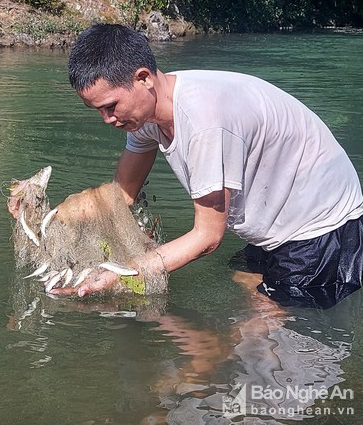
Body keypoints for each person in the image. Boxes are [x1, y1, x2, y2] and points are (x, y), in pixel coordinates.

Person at [49, 23, 363, 307]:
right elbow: (122, 195)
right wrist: (50, 219)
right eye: (98, 111)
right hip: (279, 217)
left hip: (322, 226)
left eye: (110, 107)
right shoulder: (143, 114)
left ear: (143, 78)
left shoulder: (203, 122)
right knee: (244, 280)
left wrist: (125, 273)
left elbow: (208, 237)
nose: (107, 120)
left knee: (265, 324)